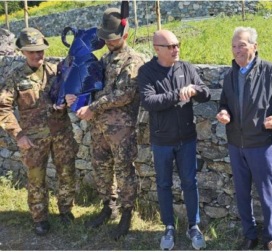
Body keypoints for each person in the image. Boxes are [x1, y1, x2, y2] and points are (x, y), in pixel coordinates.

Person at [216, 27, 272, 251]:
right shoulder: (230, 75)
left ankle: (270, 237)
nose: (237, 50)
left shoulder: (269, 71)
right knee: (242, 192)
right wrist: (223, 113)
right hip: (236, 144)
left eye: (242, 45)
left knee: (266, 192)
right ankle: (250, 235)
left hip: (261, 144)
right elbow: (224, 103)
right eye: (234, 46)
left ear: (254, 47)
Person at [66, 7, 145, 240]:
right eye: (106, 39)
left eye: (113, 39)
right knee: (100, 167)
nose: (109, 43)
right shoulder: (105, 58)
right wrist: (77, 97)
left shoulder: (133, 60)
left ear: (125, 35)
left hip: (121, 129)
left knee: (123, 171)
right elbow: (94, 87)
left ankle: (127, 214)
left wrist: (93, 107)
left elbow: (124, 95)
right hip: (100, 127)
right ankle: (107, 207)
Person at [0, 27, 78, 236]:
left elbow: (71, 95)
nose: (37, 55)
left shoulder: (56, 71)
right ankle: (40, 218)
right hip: (33, 139)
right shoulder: (15, 76)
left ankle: (66, 210)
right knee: (36, 179)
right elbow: (3, 108)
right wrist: (18, 134)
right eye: (32, 51)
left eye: (40, 50)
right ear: (23, 52)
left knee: (67, 173)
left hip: (61, 132)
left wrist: (70, 102)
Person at [138, 29, 210, 250]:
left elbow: (206, 93)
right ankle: (168, 226)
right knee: (164, 184)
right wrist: (178, 94)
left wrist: (194, 89)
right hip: (162, 141)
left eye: (177, 44)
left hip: (186, 138)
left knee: (190, 183)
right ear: (157, 49)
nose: (176, 49)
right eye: (170, 46)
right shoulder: (147, 71)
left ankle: (194, 226)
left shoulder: (186, 67)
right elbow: (149, 102)